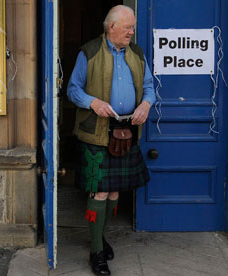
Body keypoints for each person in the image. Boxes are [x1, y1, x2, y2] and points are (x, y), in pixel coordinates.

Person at [67, 5, 156, 276]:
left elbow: (150, 88)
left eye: (133, 27)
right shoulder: (89, 51)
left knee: (115, 191)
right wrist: (92, 101)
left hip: (127, 128)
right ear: (111, 27)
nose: (132, 31)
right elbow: (72, 89)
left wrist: (146, 105)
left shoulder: (137, 53)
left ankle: (100, 236)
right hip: (97, 130)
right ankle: (96, 251)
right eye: (127, 27)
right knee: (100, 191)